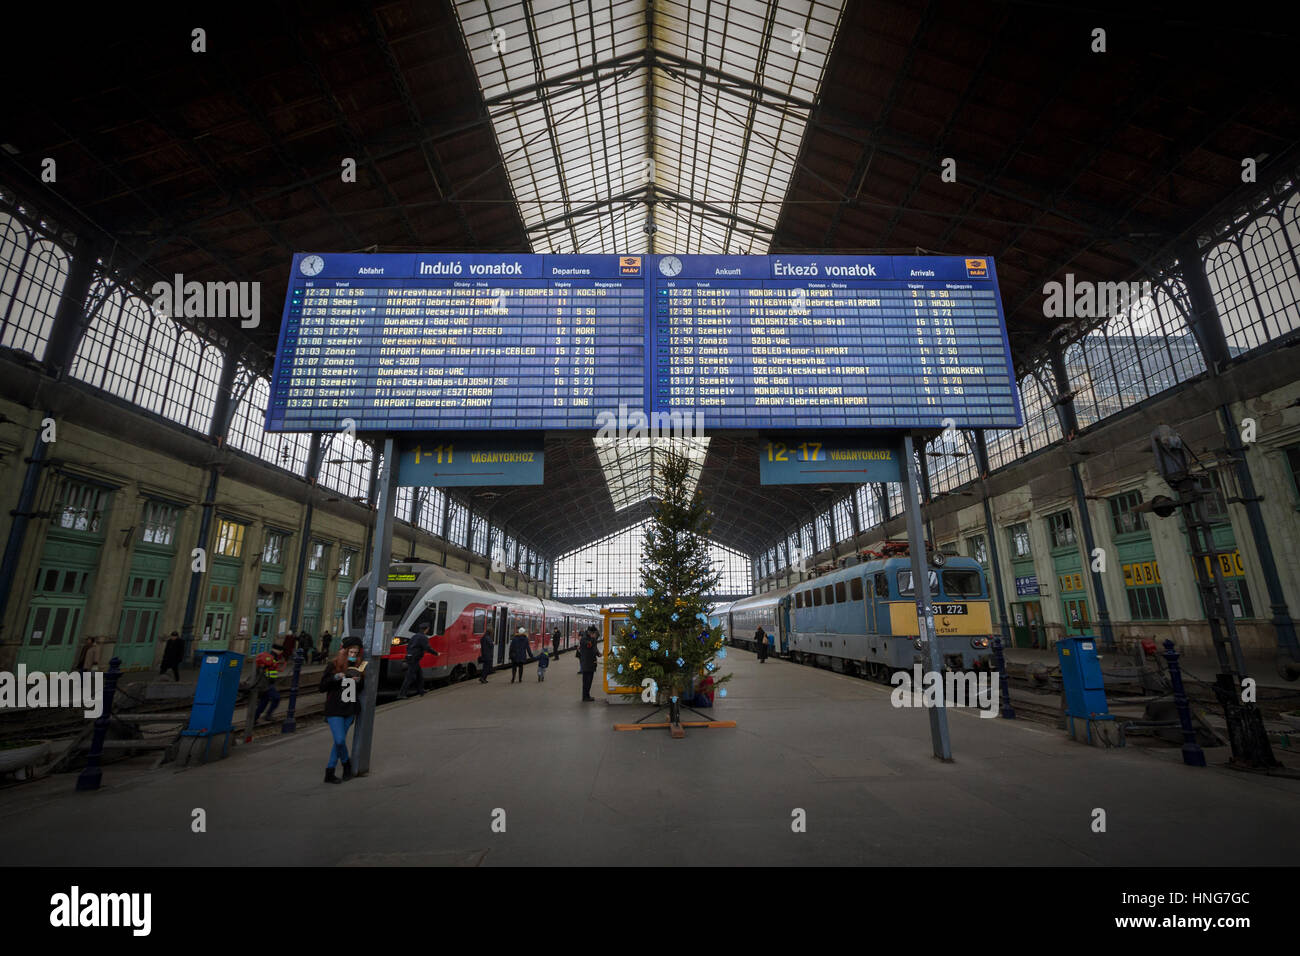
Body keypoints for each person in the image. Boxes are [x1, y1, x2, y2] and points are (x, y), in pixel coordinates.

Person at [320, 637, 365, 783]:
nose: (353, 655)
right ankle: (346, 764)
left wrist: (358, 682)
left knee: (339, 742)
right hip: (335, 707)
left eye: (356, 653)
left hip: (350, 707)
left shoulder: (358, 667)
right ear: (344, 651)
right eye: (351, 651)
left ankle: (329, 771)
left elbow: (359, 689)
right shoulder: (333, 665)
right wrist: (335, 677)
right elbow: (322, 687)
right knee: (339, 740)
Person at [400, 624, 439, 698]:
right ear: (426, 629)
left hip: (411, 657)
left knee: (419, 675)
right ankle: (402, 694)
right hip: (414, 659)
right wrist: (436, 653)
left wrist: (409, 654)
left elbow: (408, 646)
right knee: (409, 677)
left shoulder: (414, 636)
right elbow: (427, 648)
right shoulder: (423, 637)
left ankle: (421, 690)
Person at [253, 645, 285, 723]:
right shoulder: (271, 657)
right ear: (279, 651)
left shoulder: (271, 656)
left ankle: (254, 718)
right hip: (267, 683)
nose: (281, 653)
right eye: (281, 651)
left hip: (266, 682)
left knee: (264, 701)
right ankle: (268, 715)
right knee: (276, 698)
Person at [577, 626, 601, 702]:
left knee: (589, 680)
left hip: (591, 662)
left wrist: (598, 654)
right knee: (586, 681)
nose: (595, 635)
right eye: (595, 634)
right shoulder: (584, 639)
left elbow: (594, 648)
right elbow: (589, 646)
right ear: (591, 633)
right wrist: (593, 639)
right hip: (586, 662)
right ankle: (585, 697)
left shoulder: (592, 638)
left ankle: (587, 695)